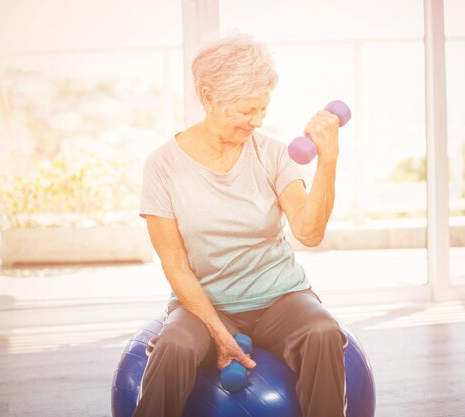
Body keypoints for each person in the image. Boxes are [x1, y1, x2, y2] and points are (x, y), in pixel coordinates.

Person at [133, 33, 347, 417]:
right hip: (203, 304)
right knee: (175, 347)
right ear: (208, 96)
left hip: (280, 298)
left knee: (322, 332)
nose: (258, 120)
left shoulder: (274, 154)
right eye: (247, 111)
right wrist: (219, 332)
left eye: (263, 109)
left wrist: (327, 160)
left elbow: (309, 233)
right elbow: (175, 265)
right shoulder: (162, 166)